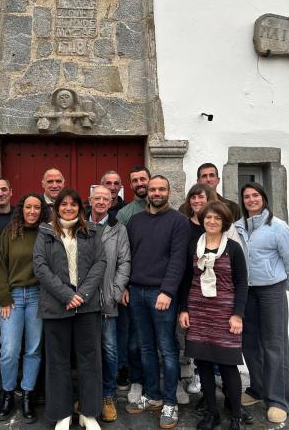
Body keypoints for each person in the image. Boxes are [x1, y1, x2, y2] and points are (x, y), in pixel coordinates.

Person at [33, 187, 106, 430]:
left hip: (87, 306)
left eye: (73, 204)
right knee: (58, 361)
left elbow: (100, 263)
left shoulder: (91, 232)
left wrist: (82, 295)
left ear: (80, 207)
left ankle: (89, 413)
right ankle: (62, 414)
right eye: (63, 204)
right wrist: (66, 295)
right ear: (56, 208)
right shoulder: (45, 232)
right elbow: (40, 267)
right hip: (56, 306)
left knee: (90, 360)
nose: (68, 208)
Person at [179, 184, 253, 424]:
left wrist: (238, 314)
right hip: (198, 312)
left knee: (228, 365)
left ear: (225, 222)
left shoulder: (233, 248)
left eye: (217, 218)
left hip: (225, 314)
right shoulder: (194, 246)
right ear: (202, 219)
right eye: (208, 217)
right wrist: (183, 309)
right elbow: (186, 279)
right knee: (203, 364)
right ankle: (212, 413)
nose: (212, 221)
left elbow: (242, 283)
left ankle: (236, 415)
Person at [125, 175, 190, 429]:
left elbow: (178, 259)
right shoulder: (135, 221)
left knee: (167, 348)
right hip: (136, 291)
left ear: (168, 192)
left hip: (161, 294)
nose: (156, 193)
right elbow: (129, 256)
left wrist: (168, 291)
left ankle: (170, 402)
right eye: (153, 189)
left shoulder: (178, 221)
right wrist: (126, 286)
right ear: (147, 192)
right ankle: (153, 395)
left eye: (161, 189)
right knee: (145, 347)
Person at [235, 182, 289, 424]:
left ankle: (279, 400)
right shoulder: (239, 227)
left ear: (264, 198)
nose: (251, 200)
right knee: (249, 343)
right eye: (246, 196)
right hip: (247, 292)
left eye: (255, 195)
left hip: (271, 291)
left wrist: (282, 285)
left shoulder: (278, 227)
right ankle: (258, 389)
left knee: (274, 345)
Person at [0, 193, 50, 424]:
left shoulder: (46, 233)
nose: (32, 211)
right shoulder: (10, 233)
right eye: (28, 207)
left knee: (33, 349)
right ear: (21, 209)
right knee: (9, 349)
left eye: (37, 207)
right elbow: (0, 265)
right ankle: (8, 394)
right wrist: (3, 296)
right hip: (13, 298)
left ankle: (27, 395)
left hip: (38, 296)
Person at [88, 186, 131, 422]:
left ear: (111, 202)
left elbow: (125, 262)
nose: (102, 202)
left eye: (106, 199)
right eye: (98, 198)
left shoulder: (118, 228)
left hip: (108, 299)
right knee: (86, 350)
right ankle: (87, 395)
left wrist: (116, 290)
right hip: (83, 300)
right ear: (90, 200)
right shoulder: (79, 224)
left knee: (110, 349)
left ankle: (107, 395)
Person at [114, 166, 150, 404]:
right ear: (130, 185)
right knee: (135, 338)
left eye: (143, 179)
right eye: (135, 180)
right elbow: (120, 253)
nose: (140, 183)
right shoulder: (125, 214)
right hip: (133, 286)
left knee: (163, 338)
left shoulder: (165, 210)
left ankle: (164, 380)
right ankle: (136, 379)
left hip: (159, 286)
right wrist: (123, 285)